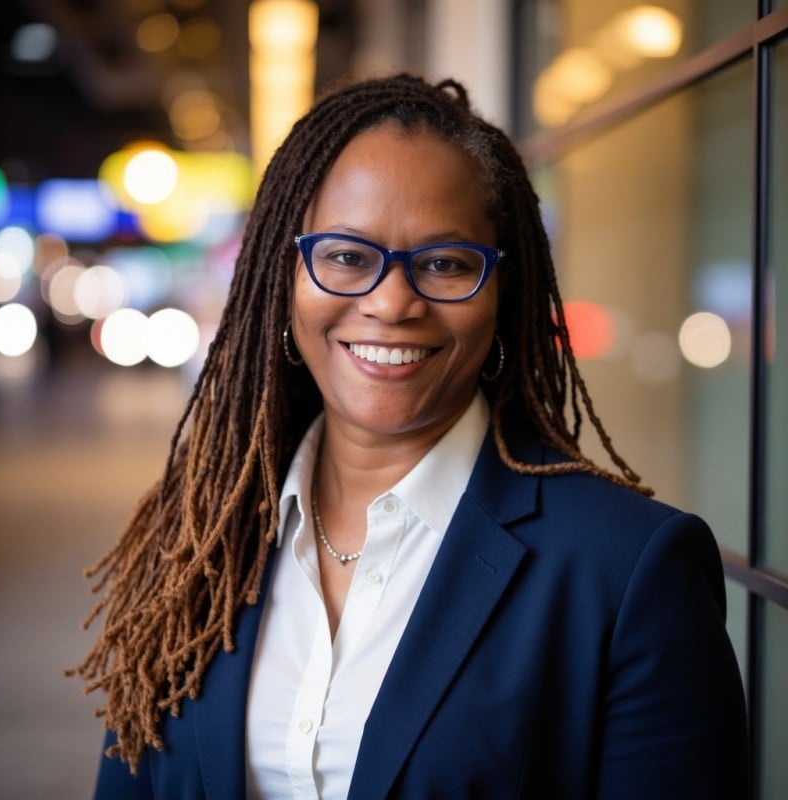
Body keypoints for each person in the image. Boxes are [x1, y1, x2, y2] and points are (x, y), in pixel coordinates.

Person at [73, 73, 748, 799]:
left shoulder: (625, 571)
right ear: (284, 276)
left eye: (445, 264)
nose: (392, 302)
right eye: (346, 256)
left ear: (501, 292)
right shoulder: (198, 537)